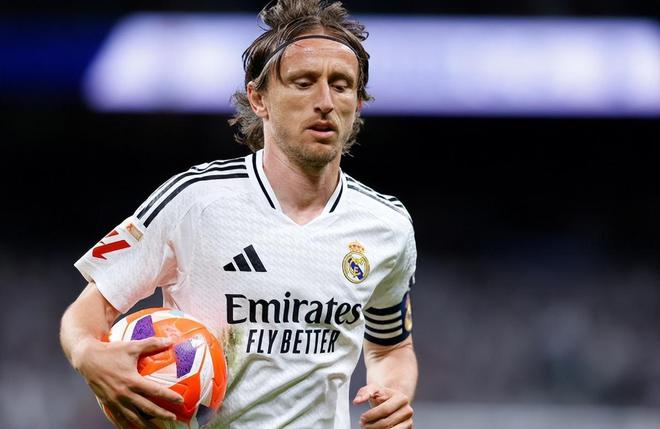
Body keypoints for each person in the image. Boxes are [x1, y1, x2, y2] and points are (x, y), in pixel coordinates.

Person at [60, 0, 418, 428]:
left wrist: (394, 393)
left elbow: (391, 347)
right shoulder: (196, 200)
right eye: (304, 82)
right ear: (259, 98)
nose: (324, 100)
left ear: (357, 103)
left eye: (341, 85)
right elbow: (88, 311)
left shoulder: (386, 226)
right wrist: (87, 354)